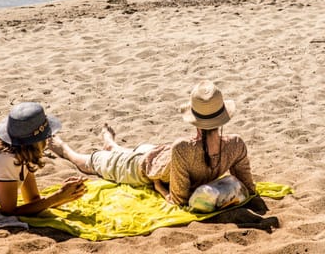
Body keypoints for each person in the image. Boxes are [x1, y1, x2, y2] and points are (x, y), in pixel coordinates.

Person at [48, 80, 255, 206]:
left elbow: (178, 200)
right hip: (139, 166)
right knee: (88, 162)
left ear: (196, 122)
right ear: (223, 118)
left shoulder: (184, 148)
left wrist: (159, 186)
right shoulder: (236, 145)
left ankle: (110, 143)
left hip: (153, 159)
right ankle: (63, 147)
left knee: (115, 155)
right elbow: (248, 188)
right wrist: (160, 187)